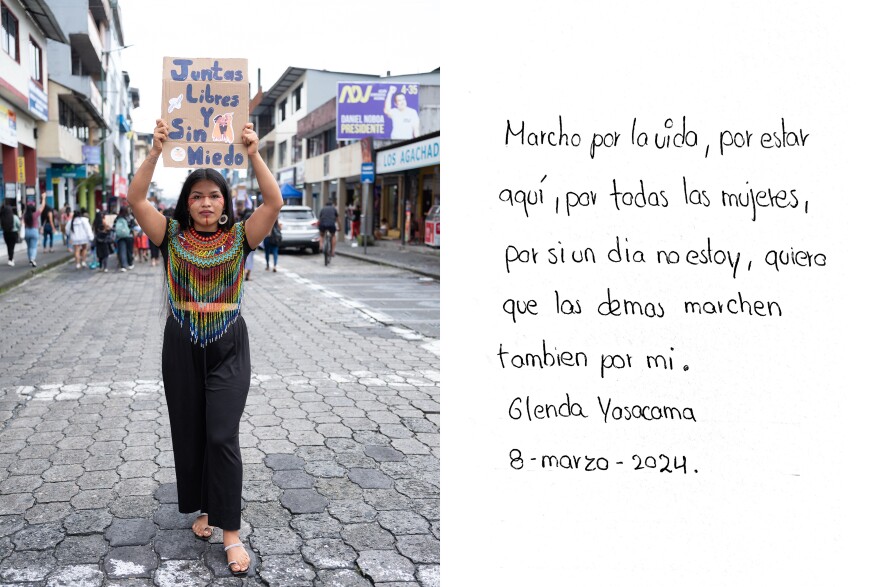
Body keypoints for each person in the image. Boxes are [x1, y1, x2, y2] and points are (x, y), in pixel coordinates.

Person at [128, 118, 281, 578]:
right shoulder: (170, 235)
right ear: (186, 202)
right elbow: (136, 199)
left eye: (214, 196)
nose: (206, 203)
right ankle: (205, 509)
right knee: (191, 430)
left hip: (228, 343)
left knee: (221, 435)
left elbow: (273, 201)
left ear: (225, 202)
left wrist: (253, 153)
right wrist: (154, 151)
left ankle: (230, 532)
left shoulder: (241, 238)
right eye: (197, 196)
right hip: (181, 342)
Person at [114, 207, 134, 272]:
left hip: (120, 237)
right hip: (129, 236)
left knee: (122, 251)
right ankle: (130, 264)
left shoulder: (117, 218)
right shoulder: (130, 217)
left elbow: (114, 227)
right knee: (129, 251)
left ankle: (123, 266)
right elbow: (132, 226)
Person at [23, 202, 43, 267]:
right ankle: (32, 259)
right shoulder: (35, 214)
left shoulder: (24, 215)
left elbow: (22, 223)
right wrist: (43, 199)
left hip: (26, 231)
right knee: (33, 247)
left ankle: (30, 260)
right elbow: (41, 208)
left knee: (29, 247)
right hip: (34, 231)